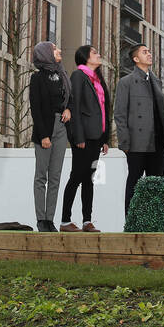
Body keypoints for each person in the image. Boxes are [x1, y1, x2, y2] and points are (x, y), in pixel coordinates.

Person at [114, 43, 164, 214]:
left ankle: (153, 221)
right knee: (134, 182)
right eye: (144, 52)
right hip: (136, 142)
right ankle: (131, 221)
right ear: (135, 59)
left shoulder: (156, 81)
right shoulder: (125, 82)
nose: (149, 54)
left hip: (158, 141)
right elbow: (119, 114)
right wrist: (124, 142)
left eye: (149, 51)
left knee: (156, 185)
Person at [59, 45, 112, 232]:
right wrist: (78, 136)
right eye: (95, 53)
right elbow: (75, 108)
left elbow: (104, 111)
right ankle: (65, 221)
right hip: (83, 138)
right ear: (85, 57)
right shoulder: (79, 76)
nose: (99, 55)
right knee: (76, 177)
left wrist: (106, 139)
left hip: (97, 137)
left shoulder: (98, 79)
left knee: (89, 178)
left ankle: (87, 221)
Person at [28, 41, 71, 232]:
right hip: (44, 129)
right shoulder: (37, 78)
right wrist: (44, 135)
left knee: (55, 176)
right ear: (45, 54)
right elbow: (35, 108)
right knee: (41, 177)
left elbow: (69, 99)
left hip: (61, 127)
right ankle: (41, 220)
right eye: (54, 49)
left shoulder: (62, 75)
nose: (59, 50)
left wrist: (68, 109)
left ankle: (50, 219)